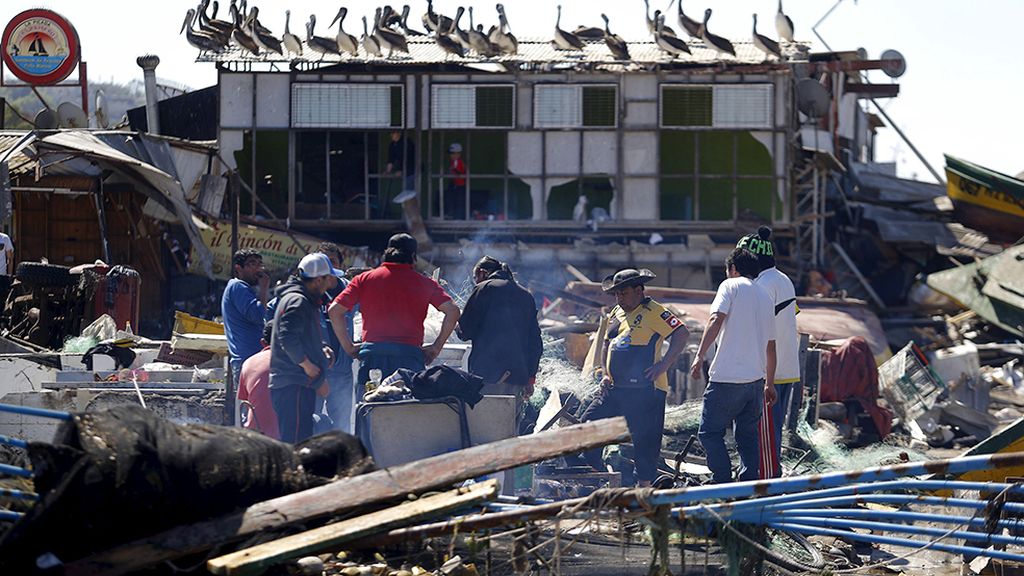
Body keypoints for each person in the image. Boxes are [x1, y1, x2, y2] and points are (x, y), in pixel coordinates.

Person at [580, 269, 689, 487]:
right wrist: (604, 372)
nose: (620, 298)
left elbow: (682, 333)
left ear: (639, 290)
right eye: (617, 294)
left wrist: (664, 364)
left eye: (624, 293)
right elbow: (607, 343)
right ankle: (599, 476)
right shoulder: (616, 313)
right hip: (615, 389)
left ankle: (644, 490)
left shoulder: (654, 311)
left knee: (645, 442)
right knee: (587, 425)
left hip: (646, 390)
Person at [329, 233, 460, 389]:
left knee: (370, 407)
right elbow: (453, 311)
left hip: (373, 358)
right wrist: (435, 348)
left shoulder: (364, 279)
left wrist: (348, 347)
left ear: (387, 252)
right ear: (413, 256)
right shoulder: (425, 283)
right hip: (410, 358)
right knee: (407, 409)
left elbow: (335, 310)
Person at [691, 248, 777, 484]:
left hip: (727, 378)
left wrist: (699, 355)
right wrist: (770, 383)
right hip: (755, 382)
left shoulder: (729, 286)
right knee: (747, 436)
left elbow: (716, 318)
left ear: (733, 269)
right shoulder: (766, 296)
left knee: (709, 432)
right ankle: (748, 484)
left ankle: (722, 480)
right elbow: (771, 346)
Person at [737, 226, 800, 478]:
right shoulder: (783, 279)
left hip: (767, 372)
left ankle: (764, 482)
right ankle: (770, 475)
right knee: (772, 432)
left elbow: (758, 328)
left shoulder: (762, 285)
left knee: (762, 433)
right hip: (786, 368)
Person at [456, 256, 543, 412]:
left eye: (475, 278)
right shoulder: (526, 295)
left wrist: (457, 324)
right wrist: (530, 378)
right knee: (509, 429)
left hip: (487, 375)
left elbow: (465, 331)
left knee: (485, 428)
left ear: (482, 273)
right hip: (518, 377)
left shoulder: (484, 288)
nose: (476, 281)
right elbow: (535, 343)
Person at [269, 253, 338, 443]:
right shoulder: (298, 301)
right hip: (294, 384)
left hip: (297, 384)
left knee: (299, 438)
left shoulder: (301, 299)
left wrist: (320, 348)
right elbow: (288, 337)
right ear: (317, 280)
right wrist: (307, 365)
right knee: (297, 443)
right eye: (327, 279)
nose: (328, 285)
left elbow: (300, 335)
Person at [316, 242, 357, 434]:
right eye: (323, 262)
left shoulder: (350, 290)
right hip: (314, 370)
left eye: (332, 262)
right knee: (311, 421)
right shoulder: (309, 290)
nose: (329, 268)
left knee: (341, 425)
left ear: (340, 264)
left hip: (341, 369)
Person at [222, 248, 270, 388]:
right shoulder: (238, 287)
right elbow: (256, 315)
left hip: (249, 359)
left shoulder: (243, 288)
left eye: (259, 263)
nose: (258, 268)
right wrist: (264, 289)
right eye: (252, 264)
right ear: (239, 268)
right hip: (248, 360)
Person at [237, 322, 279, 440]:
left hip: (254, 433)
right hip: (286, 434)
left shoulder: (248, 363)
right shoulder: (296, 361)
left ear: (263, 343)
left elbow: (245, 398)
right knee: (321, 420)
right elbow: (323, 392)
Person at [444, 142, 467, 220]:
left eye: (453, 153)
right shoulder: (453, 162)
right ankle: (452, 216)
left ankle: (458, 218)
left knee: (459, 202)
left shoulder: (459, 162)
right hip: (454, 183)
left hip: (460, 184)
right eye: (451, 153)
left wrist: (453, 171)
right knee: (450, 200)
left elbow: (461, 172)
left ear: (458, 154)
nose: (451, 155)